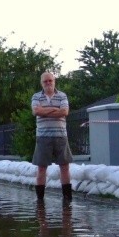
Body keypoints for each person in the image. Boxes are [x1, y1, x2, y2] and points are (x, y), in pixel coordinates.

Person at [31, 71, 73, 201]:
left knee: (65, 167)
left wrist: (45, 111)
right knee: (41, 168)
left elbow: (65, 111)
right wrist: (55, 110)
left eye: (50, 80)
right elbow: (36, 111)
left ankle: (67, 199)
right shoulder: (36, 96)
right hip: (43, 137)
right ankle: (40, 200)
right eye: (45, 81)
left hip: (61, 136)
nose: (48, 83)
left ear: (54, 81)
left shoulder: (62, 96)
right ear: (41, 83)